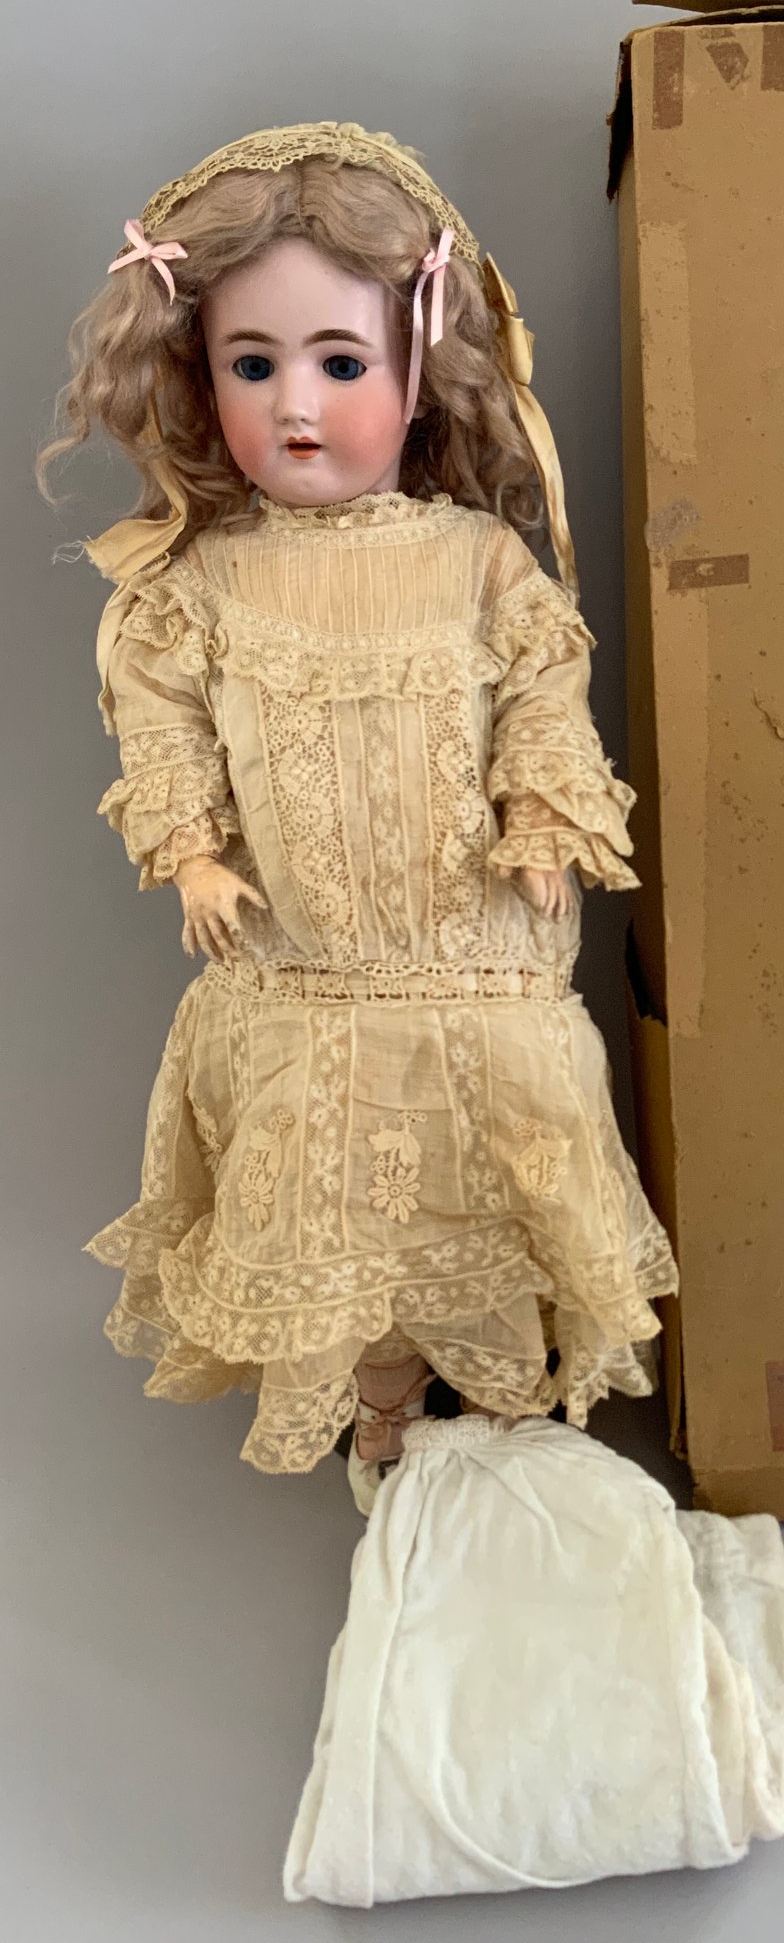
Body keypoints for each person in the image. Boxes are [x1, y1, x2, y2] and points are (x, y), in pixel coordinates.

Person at [38, 121, 678, 1511]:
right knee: (337, 1199)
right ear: (199, 379)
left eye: (341, 363)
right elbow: (161, 721)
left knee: (496, 1169)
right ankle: (384, 1402)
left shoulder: (477, 557)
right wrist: (192, 854)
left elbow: (544, 680)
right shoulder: (203, 582)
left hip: (474, 946)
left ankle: (500, 1394)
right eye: (251, 364)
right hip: (305, 965)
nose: (296, 405)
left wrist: (539, 812)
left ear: (421, 372)